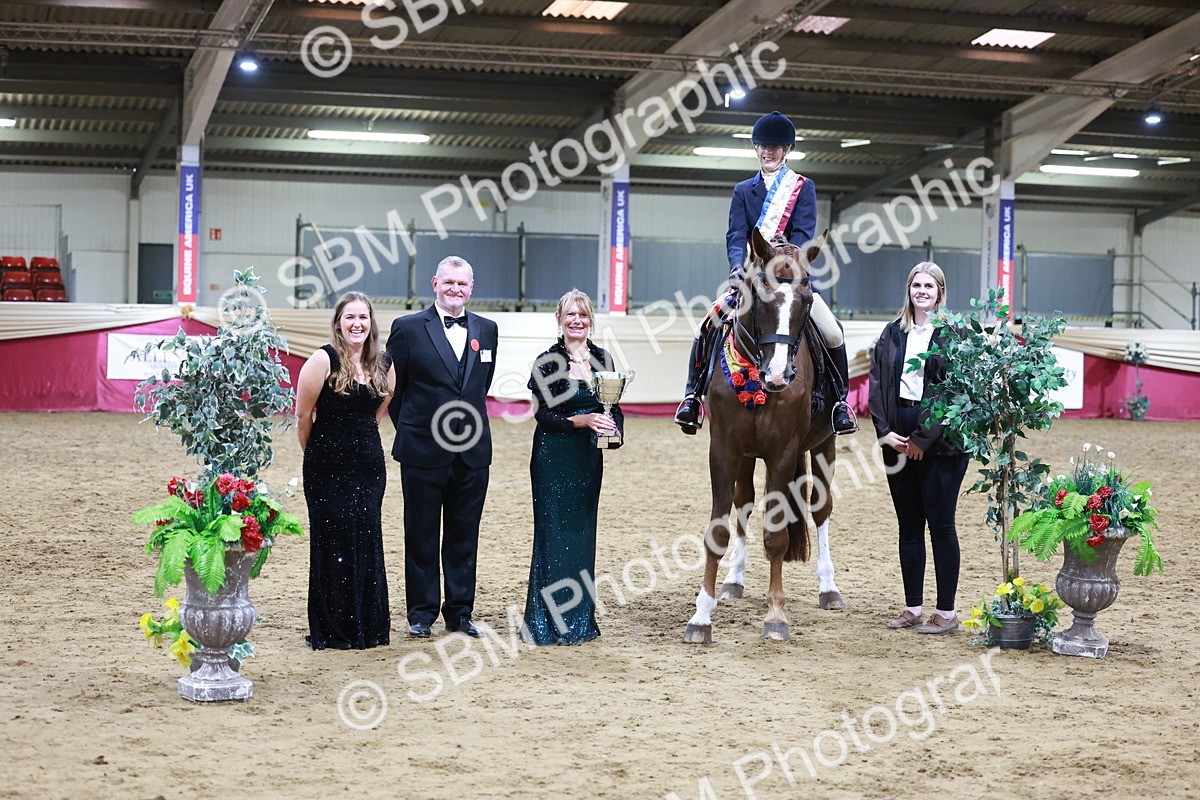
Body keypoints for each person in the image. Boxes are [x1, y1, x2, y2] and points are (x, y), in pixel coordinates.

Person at [674, 110, 857, 436]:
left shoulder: (803, 187)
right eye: (762, 146)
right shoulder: (744, 190)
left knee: (833, 332)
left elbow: (804, 232)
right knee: (707, 324)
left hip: (789, 279)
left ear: (786, 150)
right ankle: (692, 397)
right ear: (756, 148)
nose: (768, 152)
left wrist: (787, 259)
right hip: (752, 278)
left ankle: (840, 403)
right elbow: (735, 235)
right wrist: (735, 266)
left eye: (775, 147)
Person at [387, 256, 498, 639]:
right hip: (422, 450)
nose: (455, 289)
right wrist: (416, 429)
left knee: (464, 535)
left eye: (462, 284)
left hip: (472, 453)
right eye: (448, 282)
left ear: (471, 287)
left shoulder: (488, 329)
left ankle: (460, 612)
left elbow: (478, 387)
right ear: (435, 283)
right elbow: (393, 391)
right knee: (420, 533)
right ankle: (421, 614)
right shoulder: (407, 328)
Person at [868, 263, 969, 636]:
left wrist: (922, 440)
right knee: (908, 526)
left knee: (941, 526)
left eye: (929, 285)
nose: (922, 290)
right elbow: (877, 386)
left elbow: (954, 393)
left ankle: (946, 612)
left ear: (940, 292)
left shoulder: (954, 335)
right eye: (916, 284)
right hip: (898, 436)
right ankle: (912, 607)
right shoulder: (891, 333)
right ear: (908, 289)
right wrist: (885, 432)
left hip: (942, 444)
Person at [522, 290, 623, 646]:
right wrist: (581, 421)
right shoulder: (547, 362)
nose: (577, 320)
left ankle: (580, 620)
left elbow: (613, 408)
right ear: (559, 319)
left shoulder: (602, 358)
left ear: (590, 318)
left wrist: (615, 432)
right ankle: (545, 620)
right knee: (553, 536)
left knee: (582, 536)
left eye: (582, 314)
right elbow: (543, 416)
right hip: (553, 457)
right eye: (570, 315)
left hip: (587, 461)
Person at [296, 291, 394, 650]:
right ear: (338, 322)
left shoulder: (384, 364)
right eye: (350, 317)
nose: (357, 324)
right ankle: (333, 627)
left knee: (366, 538)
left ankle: (366, 626)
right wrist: (317, 455)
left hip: (368, 468)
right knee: (332, 540)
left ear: (371, 323)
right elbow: (303, 417)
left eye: (363, 318)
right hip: (325, 467)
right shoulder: (322, 360)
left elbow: (377, 412)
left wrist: (359, 445)